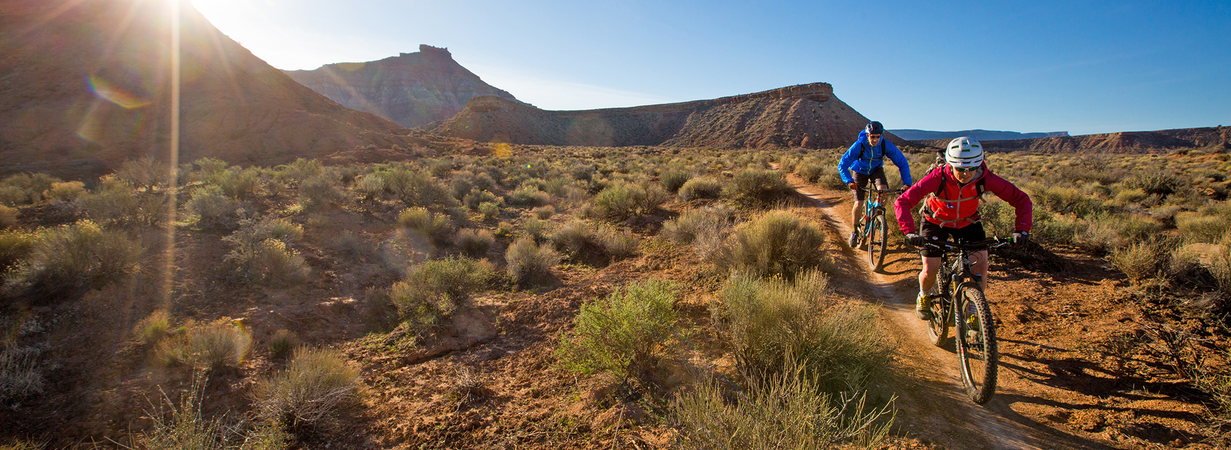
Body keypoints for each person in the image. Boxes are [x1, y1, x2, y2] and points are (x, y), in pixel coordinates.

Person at [893, 136, 1033, 320]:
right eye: (960, 169)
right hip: (935, 222)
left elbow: (1021, 199)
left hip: (968, 222)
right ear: (950, 165)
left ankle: (975, 310)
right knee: (930, 269)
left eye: (971, 169)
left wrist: (1021, 229)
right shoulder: (937, 177)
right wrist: (909, 231)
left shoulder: (985, 178)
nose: (966, 174)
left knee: (980, 268)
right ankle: (924, 294)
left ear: (979, 165)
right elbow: (903, 201)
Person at [838, 121, 913, 248]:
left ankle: (878, 218)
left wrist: (907, 183)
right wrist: (849, 181)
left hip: (876, 170)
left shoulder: (885, 145)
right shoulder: (859, 145)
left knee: (883, 191)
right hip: (859, 171)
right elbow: (843, 164)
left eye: (878, 137)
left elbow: (902, 163)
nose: (875, 140)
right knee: (858, 202)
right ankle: (855, 231)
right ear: (868, 135)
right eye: (872, 137)